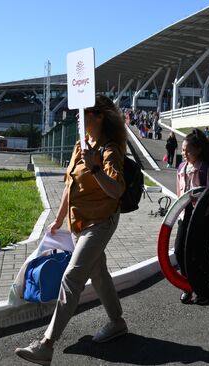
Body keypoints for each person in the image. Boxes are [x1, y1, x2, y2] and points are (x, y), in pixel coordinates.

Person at [15, 95, 128, 365]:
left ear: (98, 116)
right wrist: (58, 219)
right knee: (98, 273)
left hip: (101, 222)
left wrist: (96, 168)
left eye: (82, 112)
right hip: (78, 223)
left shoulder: (109, 149)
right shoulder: (81, 145)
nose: (77, 117)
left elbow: (117, 190)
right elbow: (69, 186)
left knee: (72, 277)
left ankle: (46, 344)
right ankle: (117, 322)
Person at [175, 129, 209, 305]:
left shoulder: (205, 170)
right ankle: (188, 285)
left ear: (198, 150)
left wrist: (199, 198)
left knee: (200, 254)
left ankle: (203, 289)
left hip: (202, 216)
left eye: (188, 150)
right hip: (185, 214)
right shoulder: (181, 168)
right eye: (183, 150)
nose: (184, 154)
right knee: (179, 251)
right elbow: (179, 192)